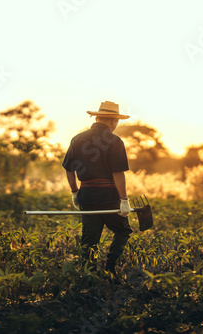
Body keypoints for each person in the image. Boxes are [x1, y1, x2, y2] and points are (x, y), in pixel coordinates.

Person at [62, 101, 132, 278]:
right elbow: (117, 173)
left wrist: (74, 193)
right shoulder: (115, 141)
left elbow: (69, 169)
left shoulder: (77, 139)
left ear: (98, 117)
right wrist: (124, 200)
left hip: (87, 197)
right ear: (113, 121)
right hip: (109, 197)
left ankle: (88, 277)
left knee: (89, 241)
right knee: (123, 231)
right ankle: (110, 268)